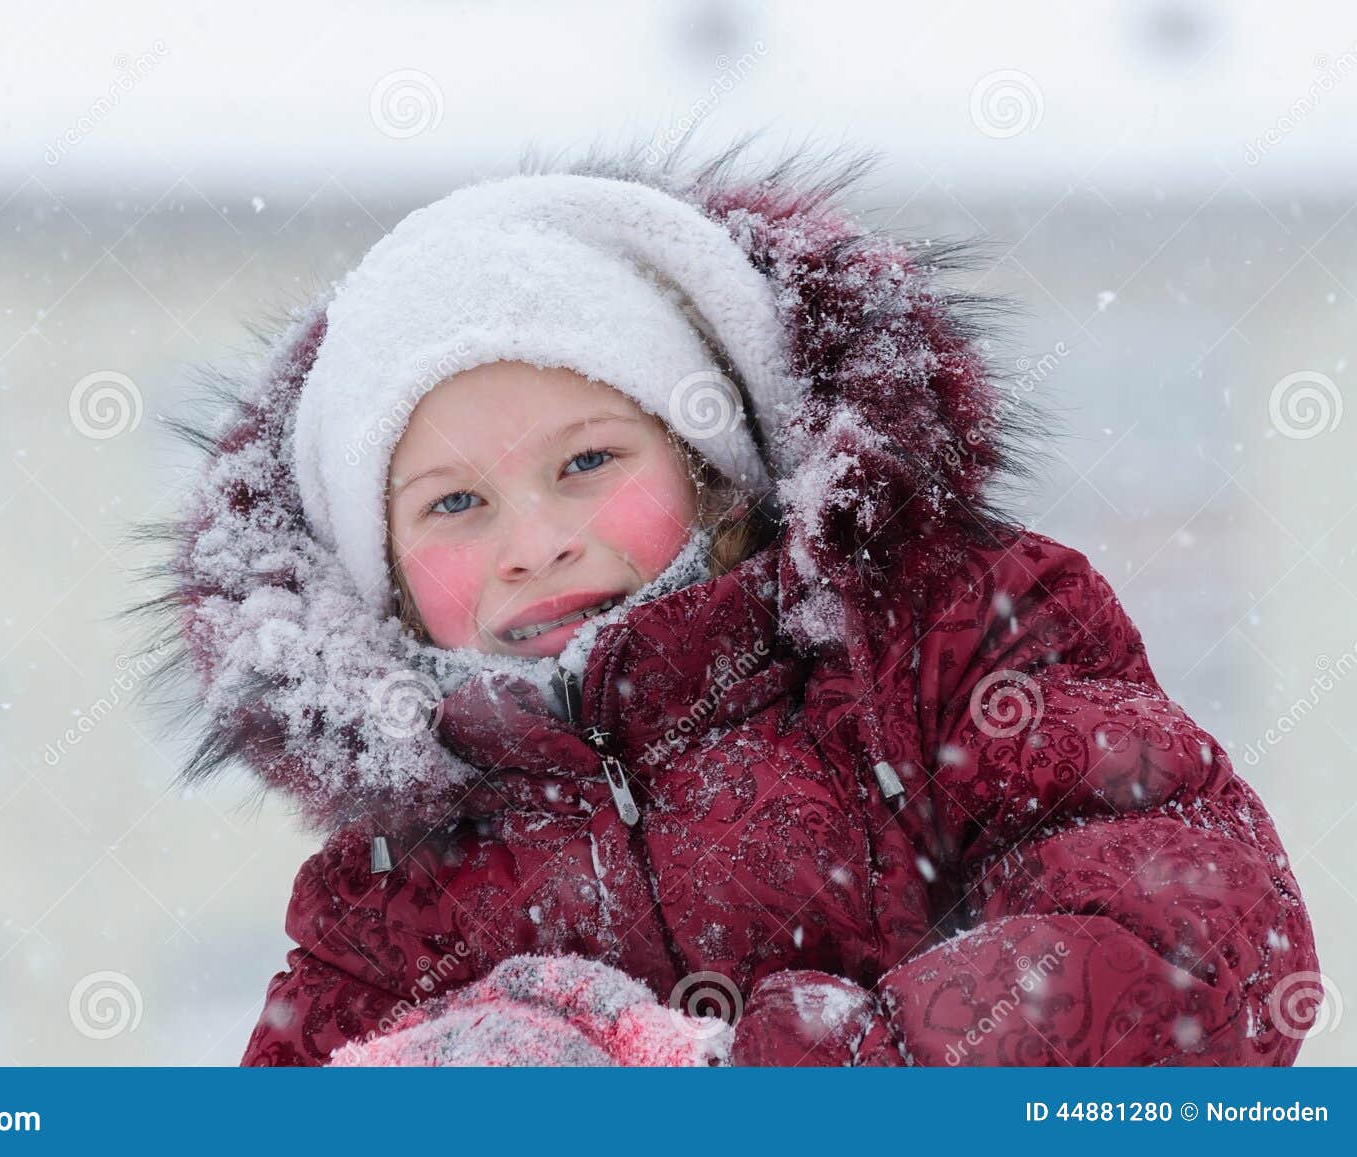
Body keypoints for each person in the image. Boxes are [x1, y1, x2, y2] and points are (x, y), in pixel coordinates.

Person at [141, 141, 1320, 1065]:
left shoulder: (942, 645)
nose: (533, 542)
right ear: (382, 579)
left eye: (586, 462)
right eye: (454, 503)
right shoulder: (391, 888)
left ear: (707, 464)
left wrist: (771, 1076)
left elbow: (1191, 945)